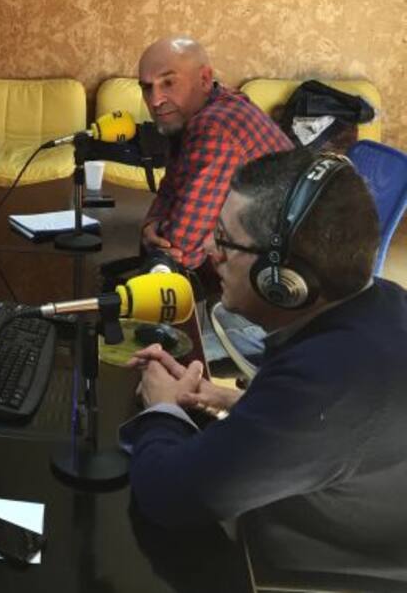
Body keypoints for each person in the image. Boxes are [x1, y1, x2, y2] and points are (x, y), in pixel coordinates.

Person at [123, 148, 407, 582]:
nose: (208, 249)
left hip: (318, 577)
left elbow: (168, 497)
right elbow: (344, 435)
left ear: (284, 281)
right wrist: (236, 401)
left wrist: (161, 408)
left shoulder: (326, 383)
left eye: (224, 240)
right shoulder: (384, 302)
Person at [138, 36, 292, 270]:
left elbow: (182, 251)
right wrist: (152, 222)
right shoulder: (205, 107)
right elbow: (171, 187)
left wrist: (156, 238)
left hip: (277, 272)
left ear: (204, 79)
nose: (155, 100)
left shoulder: (214, 128)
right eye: (147, 88)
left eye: (168, 83)